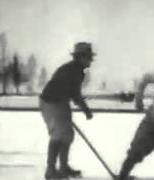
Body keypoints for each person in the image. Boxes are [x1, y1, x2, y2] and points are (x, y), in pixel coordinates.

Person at [39, 42, 95, 179]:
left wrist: (78, 109)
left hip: (61, 102)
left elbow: (72, 93)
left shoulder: (77, 71)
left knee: (68, 135)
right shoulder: (72, 70)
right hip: (51, 102)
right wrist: (85, 110)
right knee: (58, 135)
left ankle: (64, 167)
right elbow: (74, 93)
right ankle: (50, 171)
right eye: (88, 57)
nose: (91, 60)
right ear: (80, 57)